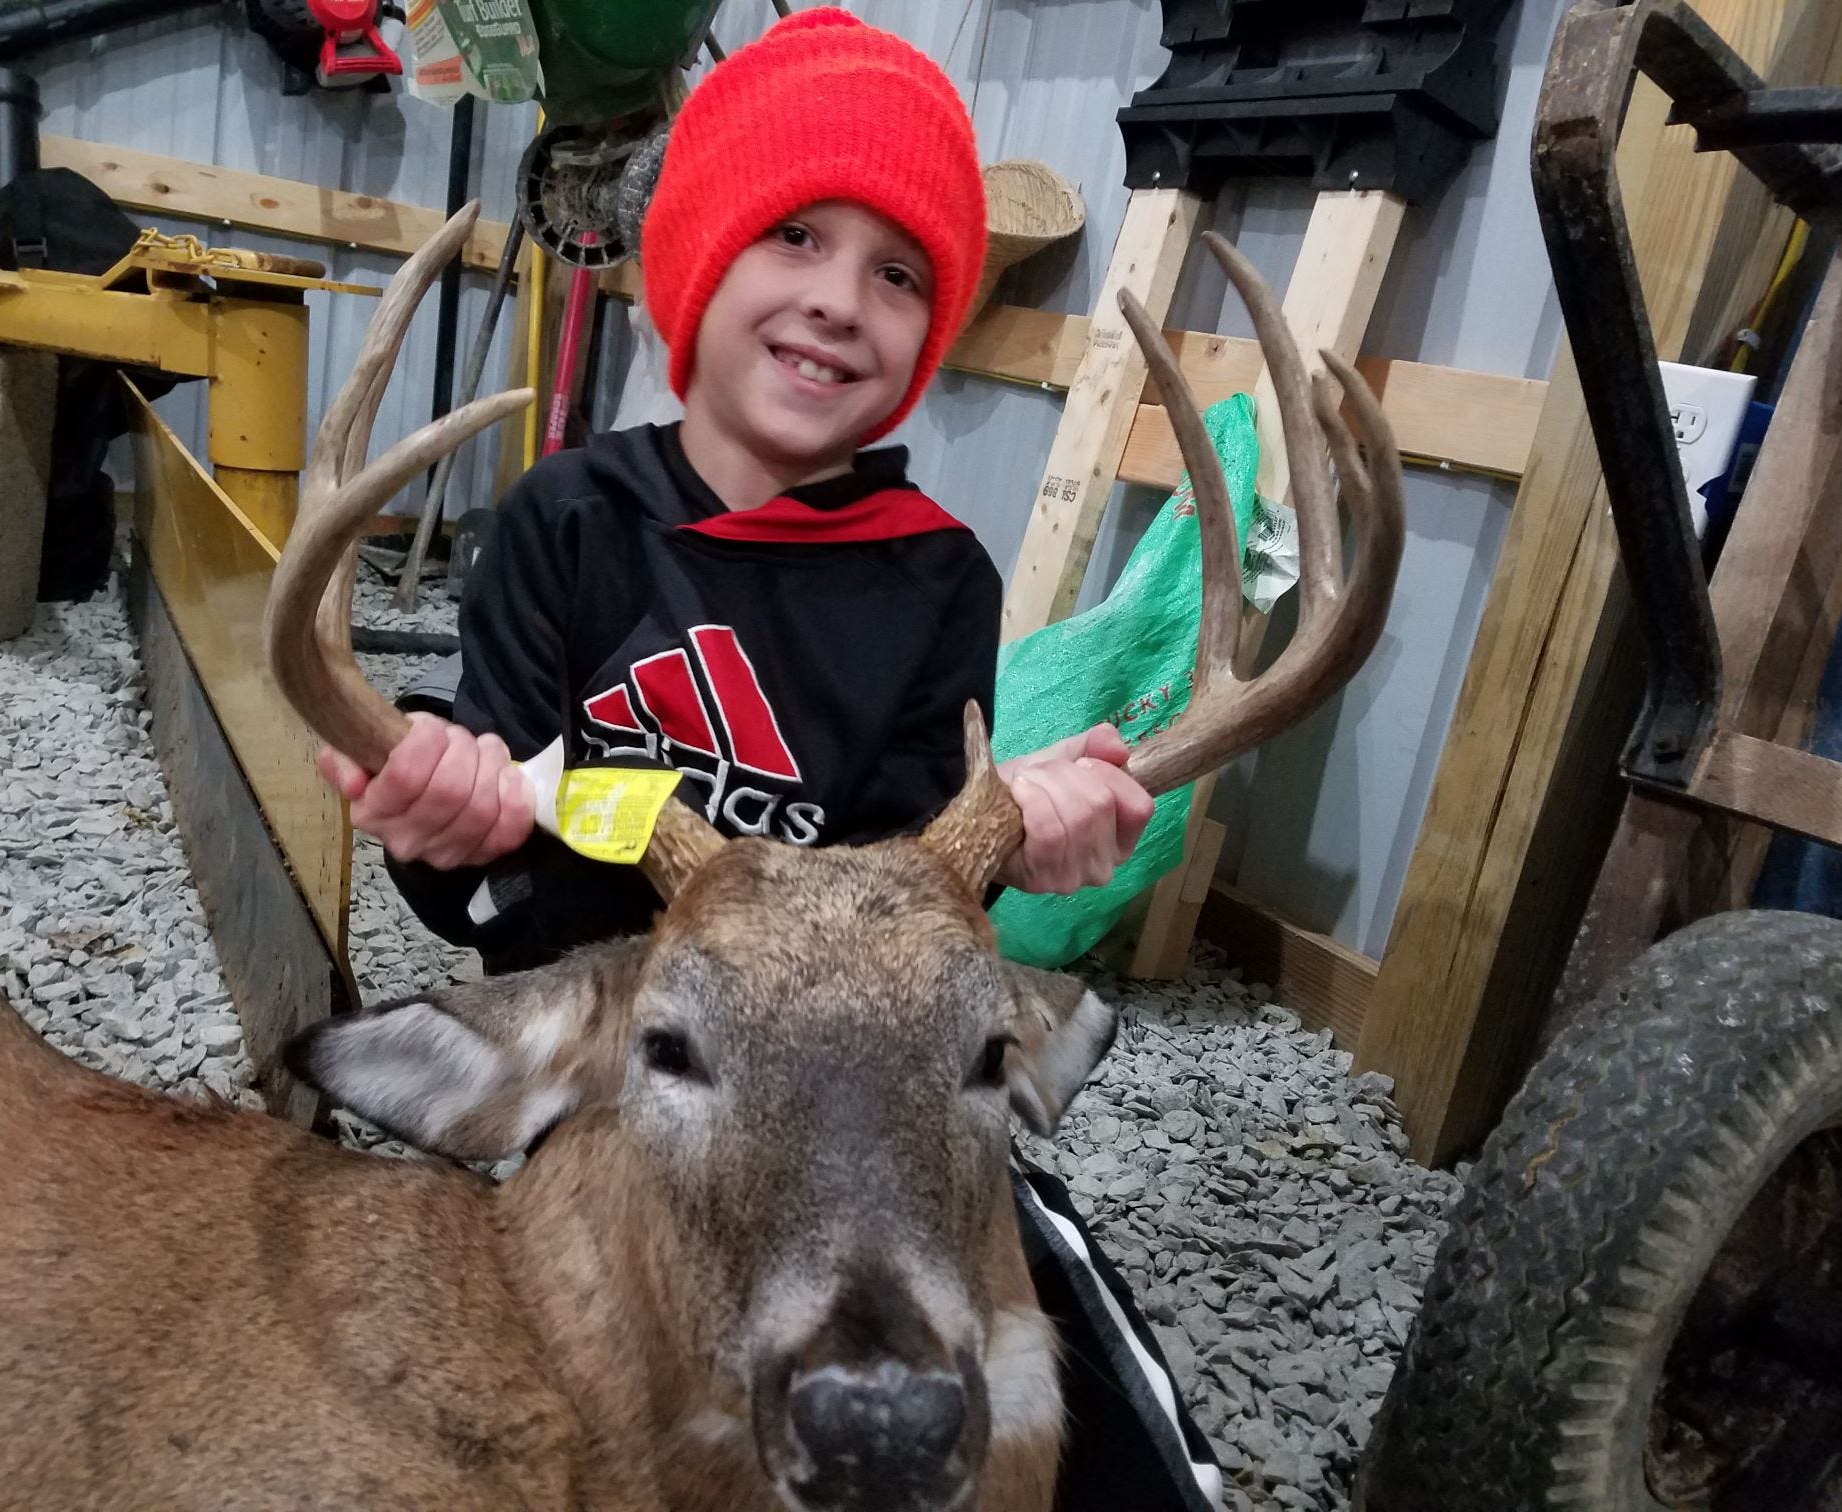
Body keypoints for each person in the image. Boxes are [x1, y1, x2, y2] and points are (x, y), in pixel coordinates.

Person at [318, 11, 1222, 1508]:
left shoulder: (938, 575)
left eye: (897, 273)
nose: (837, 303)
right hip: (631, 1060)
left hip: (850, 1074)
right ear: (697, 262)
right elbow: (489, 865)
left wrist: (1009, 842)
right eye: (793, 237)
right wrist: (446, 824)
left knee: (1094, 1411)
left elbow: (897, 928)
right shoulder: (565, 522)